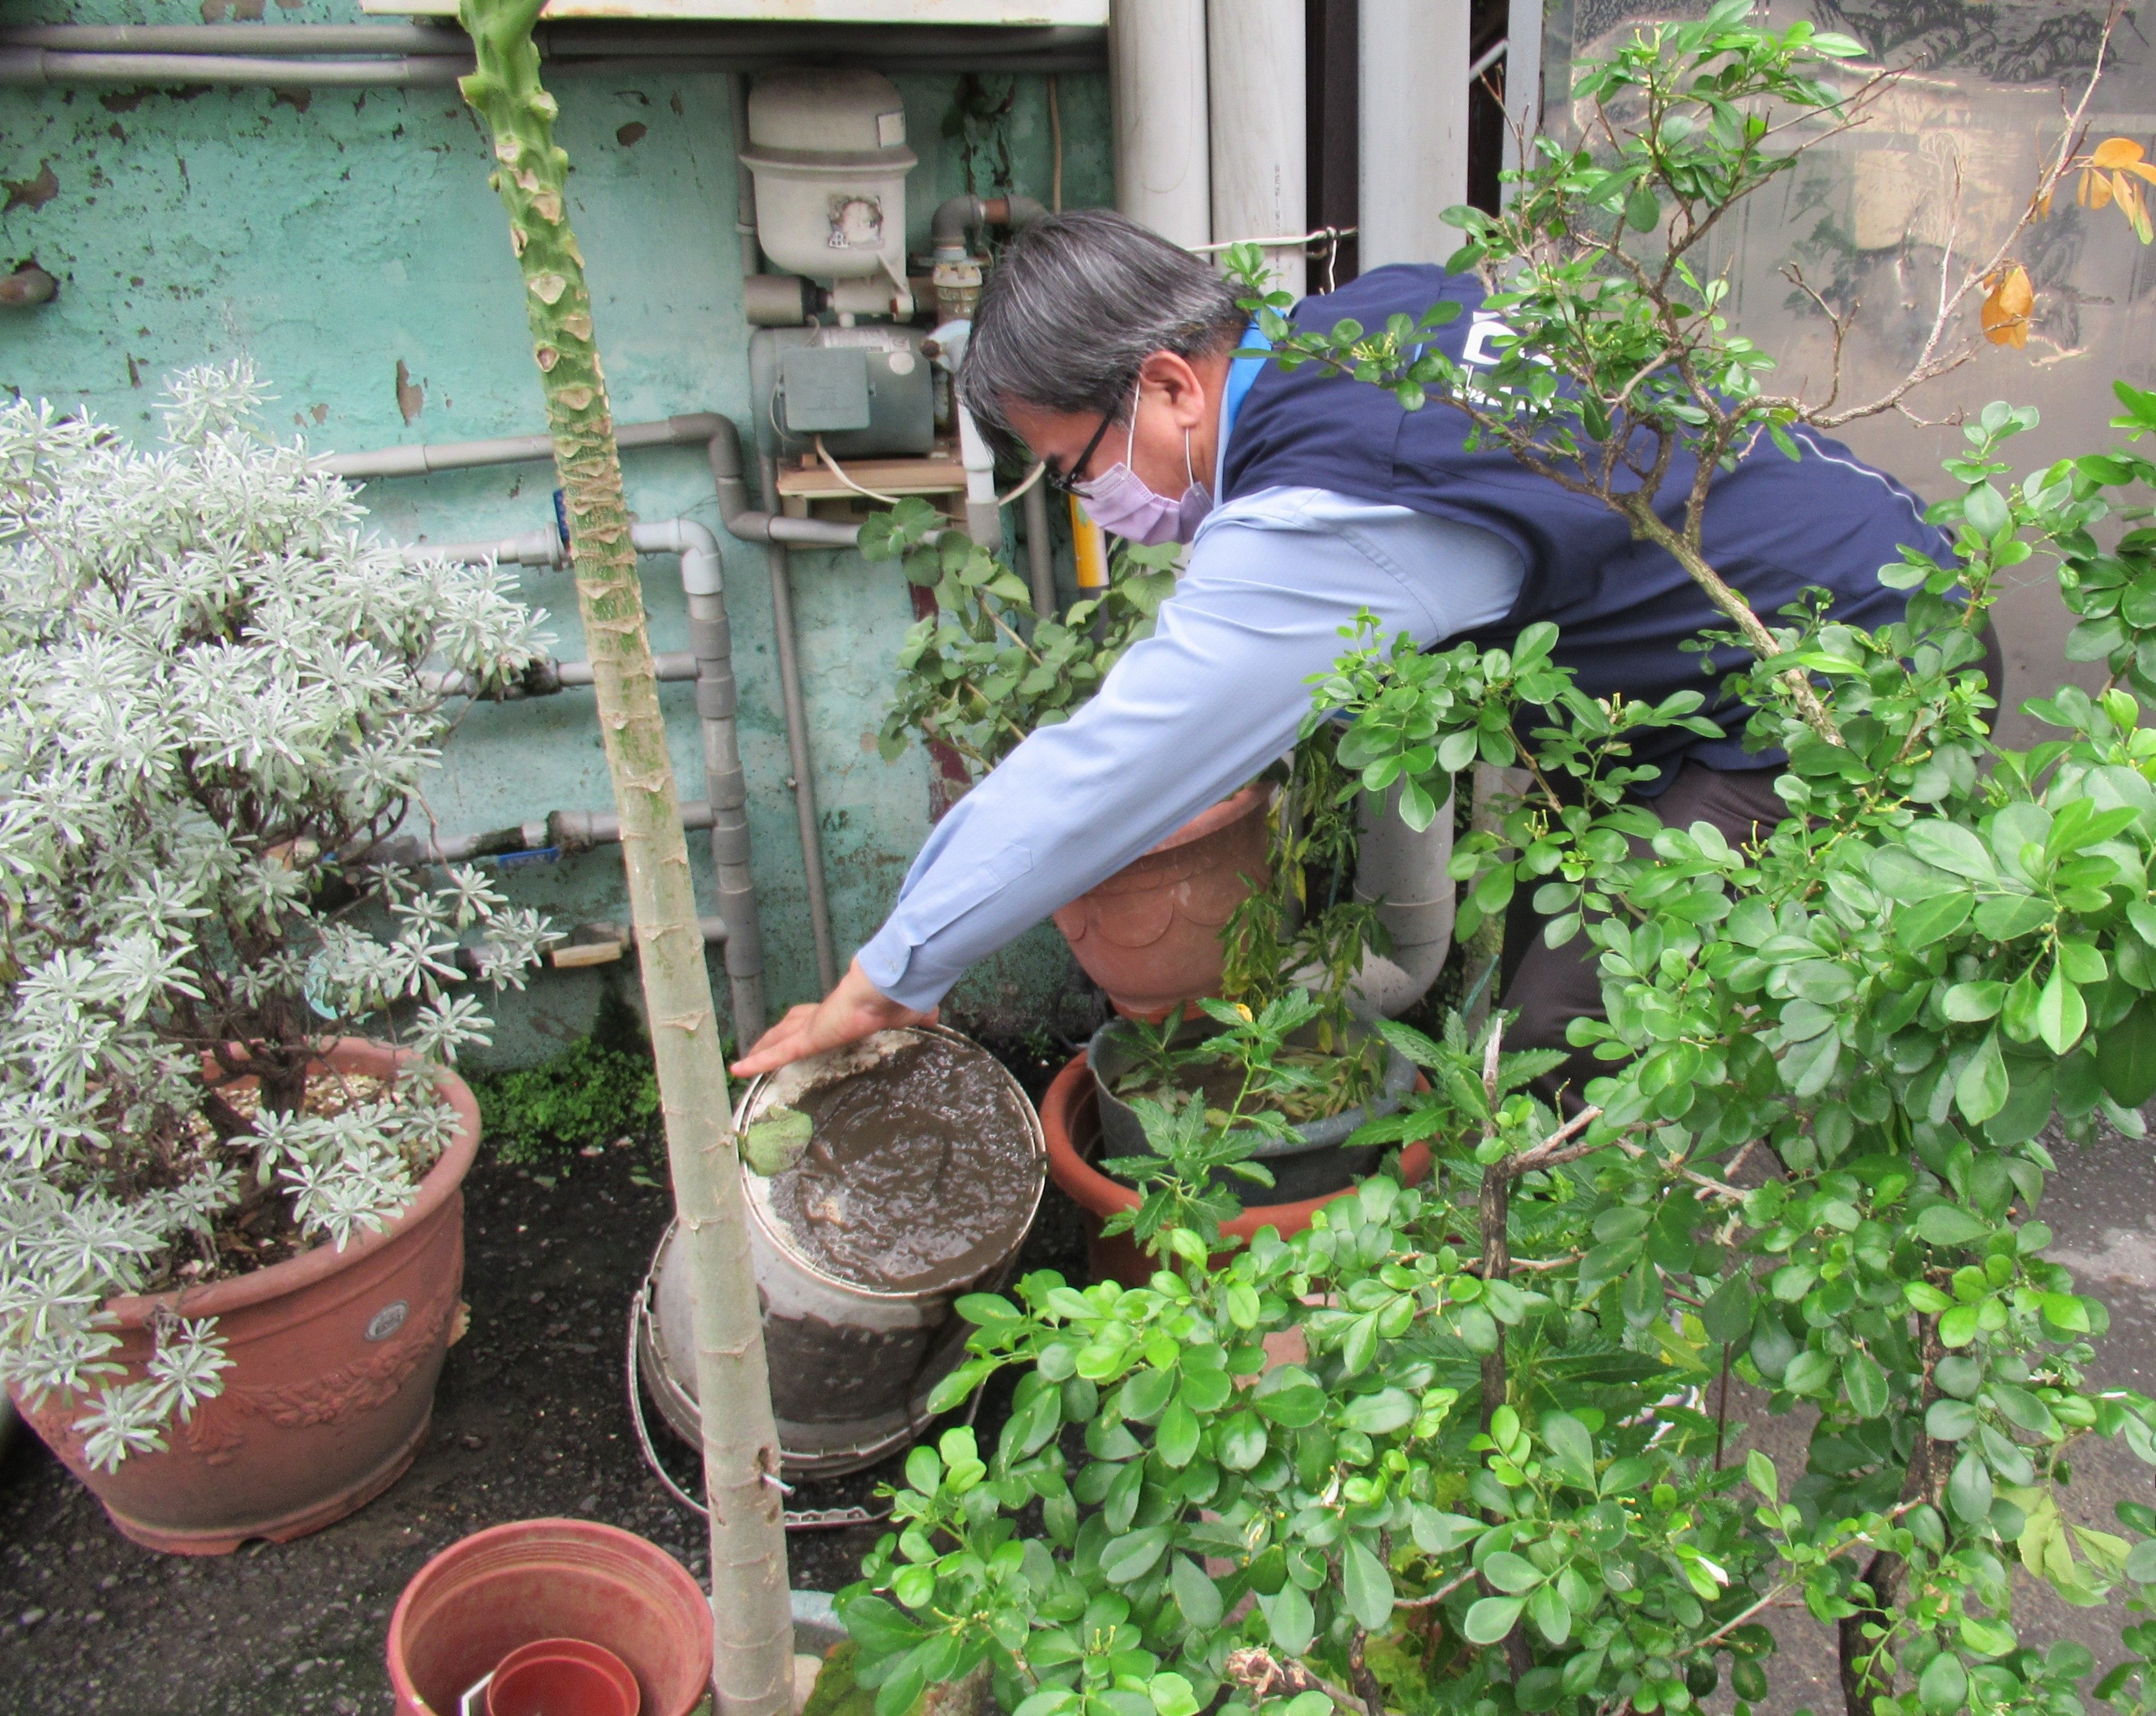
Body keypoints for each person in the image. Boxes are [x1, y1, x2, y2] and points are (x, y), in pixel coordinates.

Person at [732, 208, 1962, 1089]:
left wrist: (894, 972)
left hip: (1844, 671)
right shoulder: (1369, 321)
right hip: (1833, 576)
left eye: (1080, 466)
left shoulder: (1329, 499)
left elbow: (1110, 764)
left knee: (1567, 1037)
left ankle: (1609, 1357)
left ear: (1168, 384)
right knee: (1562, 952)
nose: (1093, 500)